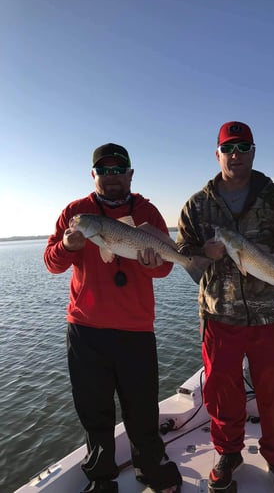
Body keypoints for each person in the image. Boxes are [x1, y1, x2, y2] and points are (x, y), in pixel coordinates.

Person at [176, 122, 274, 493]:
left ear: (253, 151)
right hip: (220, 316)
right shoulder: (197, 205)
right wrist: (205, 252)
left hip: (270, 315)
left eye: (243, 147)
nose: (236, 154)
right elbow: (184, 255)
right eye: (228, 147)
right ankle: (228, 452)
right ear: (217, 153)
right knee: (220, 391)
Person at [44, 143, 182, 493]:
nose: (111, 176)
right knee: (94, 411)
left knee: (142, 410)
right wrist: (68, 247)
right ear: (93, 176)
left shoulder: (147, 212)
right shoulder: (76, 213)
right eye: (103, 170)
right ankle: (101, 477)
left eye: (118, 169)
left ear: (130, 174)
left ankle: (151, 467)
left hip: (135, 329)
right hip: (86, 330)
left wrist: (155, 264)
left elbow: (164, 267)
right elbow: (51, 262)